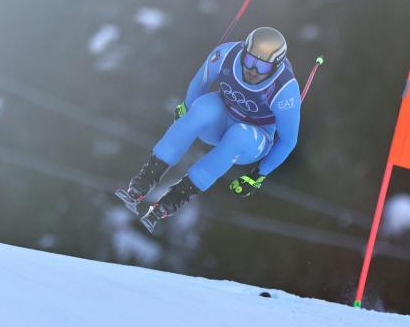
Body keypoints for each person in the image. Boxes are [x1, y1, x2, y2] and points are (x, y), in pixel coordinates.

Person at [115, 27, 301, 233]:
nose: (252, 71)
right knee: (203, 107)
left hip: (253, 140)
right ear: (243, 51)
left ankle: (172, 200)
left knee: (239, 135)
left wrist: (259, 175)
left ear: (276, 66)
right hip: (220, 121)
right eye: (249, 61)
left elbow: (288, 140)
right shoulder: (226, 55)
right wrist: (187, 109)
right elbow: (200, 82)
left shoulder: (285, 91)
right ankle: (145, 179)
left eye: (262, 67)